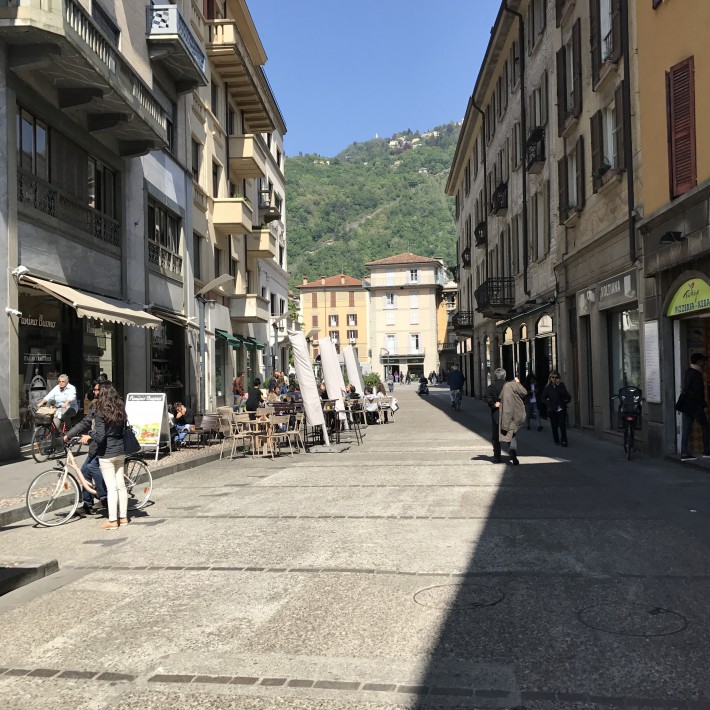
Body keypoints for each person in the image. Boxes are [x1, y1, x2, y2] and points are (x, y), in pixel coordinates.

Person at [64, 375, 111, 515]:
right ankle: (87, 504)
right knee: (84, 470)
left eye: (97, 390)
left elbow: (106, 430)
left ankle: (104, 499)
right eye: (94, 390)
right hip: (96, 444)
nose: (95, 392)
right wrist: (68, 435)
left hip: (106, 445)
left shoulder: (109, 406)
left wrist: (90, 436)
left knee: (91, 467)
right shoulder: (96, 405)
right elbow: (85, 422)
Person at [92, 384, 128, 530]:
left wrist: (91, 432)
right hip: (121, 450)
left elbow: (100, 437)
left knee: (111, 488)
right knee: (121, 485)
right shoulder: (120, 409)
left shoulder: (101, 412)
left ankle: (113, 520)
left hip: (107, 453)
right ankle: (124, 517)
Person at [679, 352, 710, 461]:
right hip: (695, 406)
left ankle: (684, 452)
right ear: (698, 361)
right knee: (705, 426)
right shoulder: (696, 374)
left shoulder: (689, 372)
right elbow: (696, 392)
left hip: (687, 405)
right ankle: (707, 450)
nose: (704, 362)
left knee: (687, 428)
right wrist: (702, 404)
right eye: (703, 360)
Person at [498, 374, 527, 465]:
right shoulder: (515, 385)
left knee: (511, 433)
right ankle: (512, 451)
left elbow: (500, 397)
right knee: (512, 433)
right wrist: (518, 383)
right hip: (516, 414)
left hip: (509, 414)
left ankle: (512, 450)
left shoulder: (506, 386)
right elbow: (524, 392)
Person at [484, 368, 507, 463]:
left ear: (495, 377)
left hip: (496, 414)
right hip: (509, 414)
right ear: (504, 376)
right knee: (511, 434)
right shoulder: (509, 386)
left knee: (496, 436)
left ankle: (497, 456)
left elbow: (487, 397)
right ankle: (513, 453)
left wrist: (493, 404)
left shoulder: (491, 387)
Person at [542, 371, 572, 447]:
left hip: (561, 408)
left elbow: (565, 394)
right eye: (553, 377)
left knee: (562, 425)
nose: (555, 379)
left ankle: (564, 441)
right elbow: (543, 398)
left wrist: (558, 386)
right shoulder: (547, 387)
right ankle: (556, 440)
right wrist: (549, 404)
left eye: (556, 377)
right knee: (554, 426)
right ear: (550, 378)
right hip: (552, 409)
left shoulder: (561, 385)